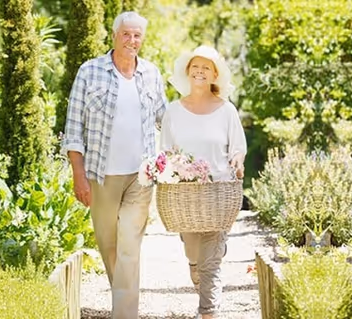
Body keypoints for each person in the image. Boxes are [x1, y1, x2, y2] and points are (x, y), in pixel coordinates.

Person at [61, 11, 168, 319]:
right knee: (108, 245)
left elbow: (166, 119)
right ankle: (123, 299)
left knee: (130, 246)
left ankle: (124, 313)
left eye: (137, 35)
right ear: (115, 35)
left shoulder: (150, 73)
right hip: (101, 174)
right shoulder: (90, 71)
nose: (132, 41)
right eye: (126, 34)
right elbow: (73, 129)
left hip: (141, 176)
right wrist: (78, 175)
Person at [160, 45, 247, 319]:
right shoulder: (173, 111)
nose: (200, 71)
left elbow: (238, 147)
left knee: (211, 260)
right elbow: (165, 152)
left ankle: (207, 311)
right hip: (184, 196)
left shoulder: (226, 111)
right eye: (195, 66)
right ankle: (198, 269)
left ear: (214, 75)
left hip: (217, 192)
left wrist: (238, 161)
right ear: (188, 71)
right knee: (193, 252)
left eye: (206, 67)